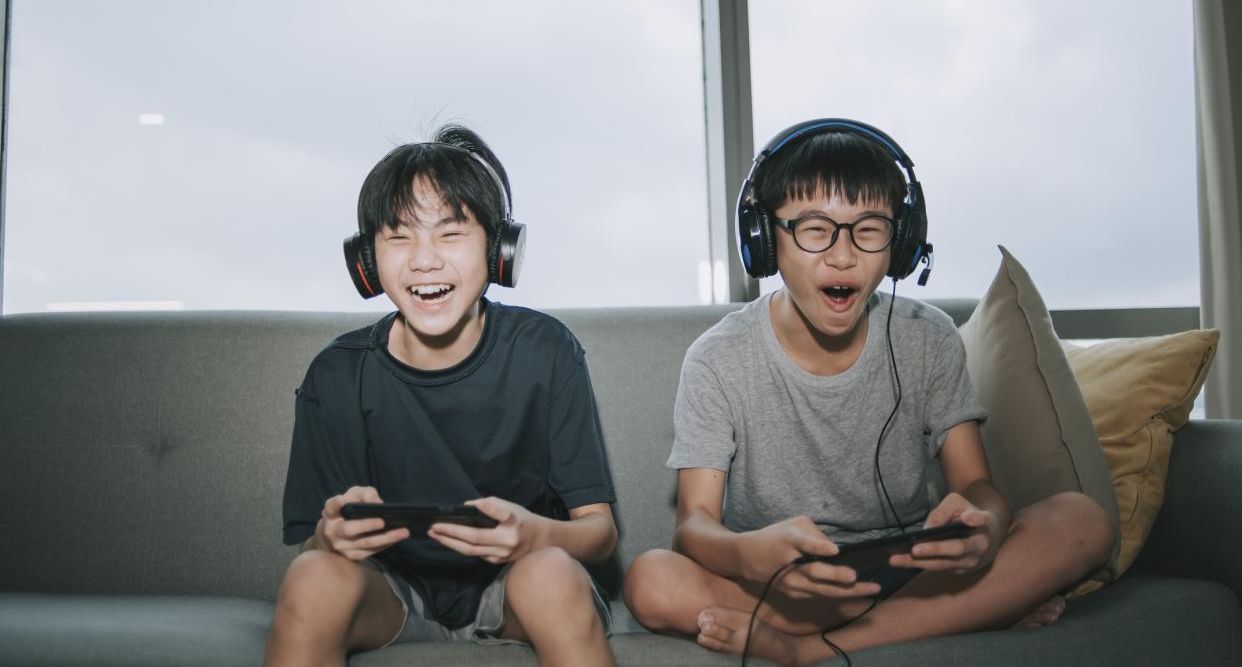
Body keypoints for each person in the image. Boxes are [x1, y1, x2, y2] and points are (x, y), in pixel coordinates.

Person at [623, 119, 1115, 666]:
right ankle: (956, 617)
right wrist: (747, 554)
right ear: (765, 242)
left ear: (900, 244)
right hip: (783, 583)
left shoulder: (927, 337)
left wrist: (985, 530)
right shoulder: (717, 358)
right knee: (651, 580)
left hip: (907, 572)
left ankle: (806, 650)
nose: (842, 255)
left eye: (870, 229)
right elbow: (693, 527)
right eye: (814, 229)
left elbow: (977, 485)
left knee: (1082, 520)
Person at [265, 125, 618, 667]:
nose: (424, 260)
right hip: (392, 595)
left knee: (548, 573)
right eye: (399, 236)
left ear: (499, 250)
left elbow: (599, 533)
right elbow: (312, 550)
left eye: (450, 234)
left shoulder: (547, 350)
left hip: (519, 587)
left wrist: (532, 536)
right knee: (312, 575)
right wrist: (329, 536)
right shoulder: (337, 374)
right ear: (367, 261)